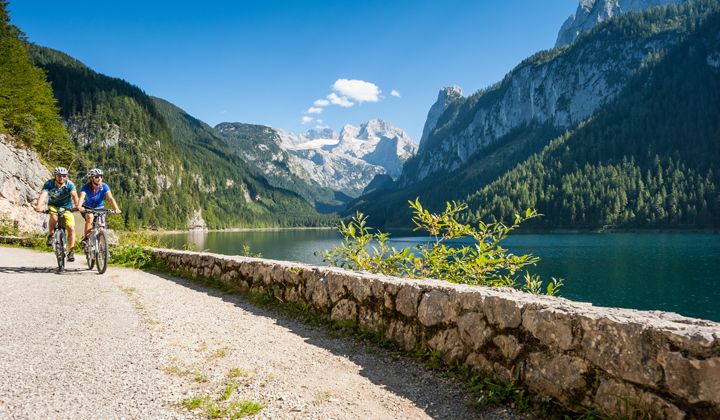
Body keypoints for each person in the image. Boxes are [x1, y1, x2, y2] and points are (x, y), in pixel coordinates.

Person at [35, 167, 81, 262]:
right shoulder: (49, 184)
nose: (62, 178)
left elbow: (74, 196)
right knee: (53, 217)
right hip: (54, 206)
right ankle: (51, 235)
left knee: (71, 228)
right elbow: (43, 195)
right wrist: (38, 206)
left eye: (64, 176)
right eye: (59, 176)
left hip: (67, 207)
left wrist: (77, 206)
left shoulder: (69, 184)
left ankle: (71, 252)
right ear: (55, 176)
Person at [78, 168, 121, 248]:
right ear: (91, 178)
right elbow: (81, 197)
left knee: (101, 227)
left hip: (100, 208)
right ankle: (86, 239)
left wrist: (116, 208)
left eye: (101, 176)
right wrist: (79, 206)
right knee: (90, 217)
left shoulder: (104, 186)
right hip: (87, 208)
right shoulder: (86, 187)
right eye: (97, 176)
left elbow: (110, 198)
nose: (99, 178)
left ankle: (102, 250)